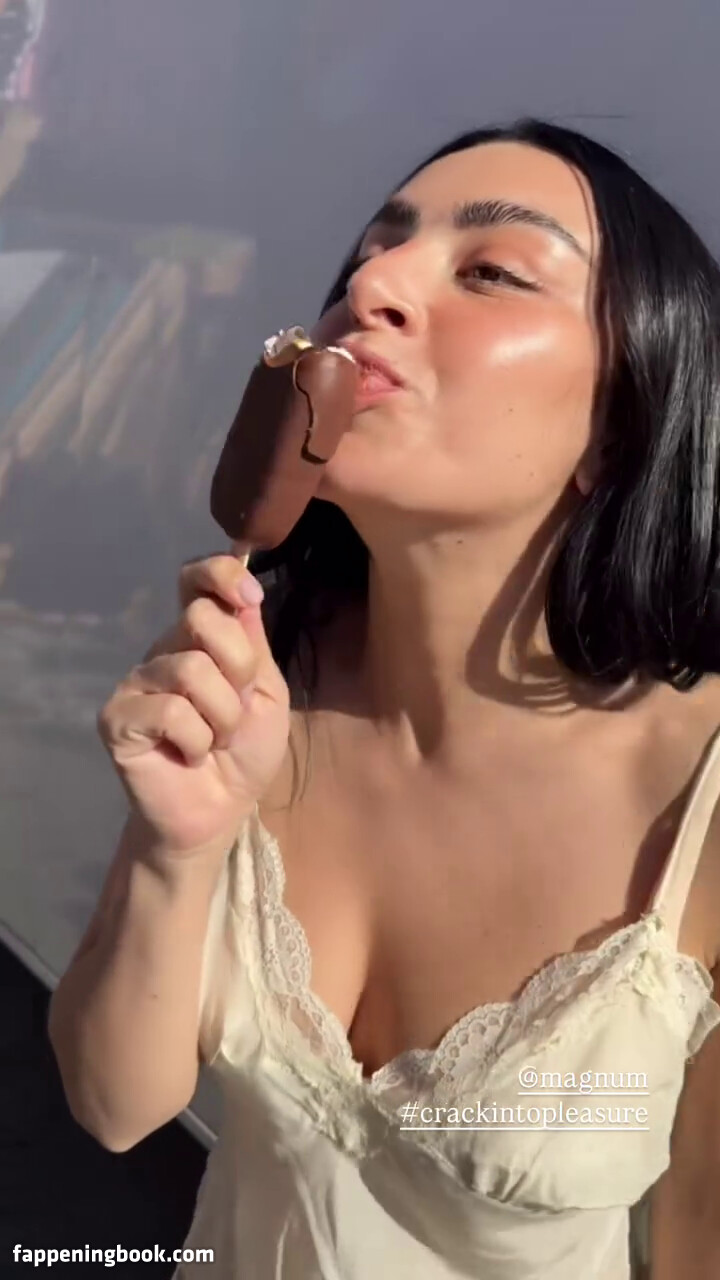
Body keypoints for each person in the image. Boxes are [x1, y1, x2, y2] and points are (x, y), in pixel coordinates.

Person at [48, 119, 720, 1279]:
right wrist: (176, 846)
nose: (372, 287)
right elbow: (115, 1104)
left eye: (493, 271)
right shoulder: (262, 684)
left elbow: (699, 1234)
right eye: (372, 251)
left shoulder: (699, 799)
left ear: (621, 424)